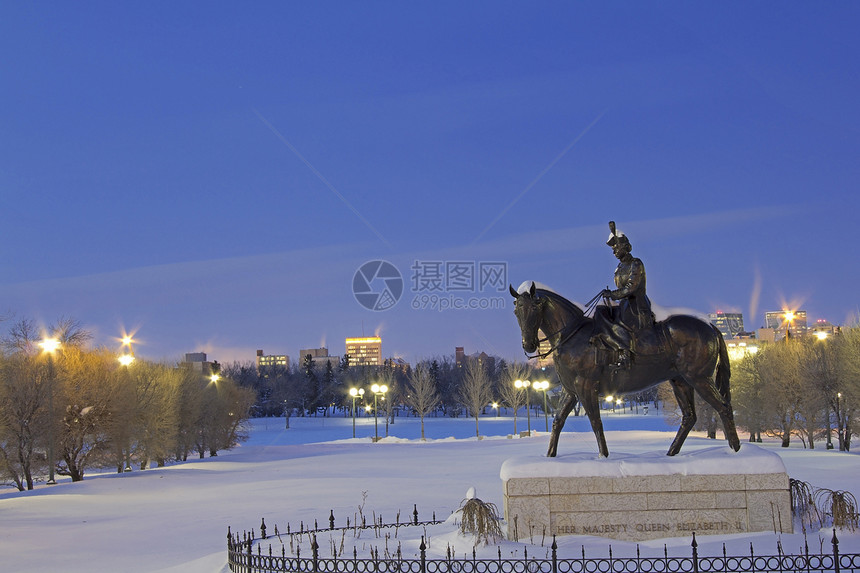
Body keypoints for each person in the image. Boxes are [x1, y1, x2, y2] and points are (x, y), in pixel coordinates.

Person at [591, 221, 654, 367]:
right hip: (624, 303)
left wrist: (612, 294)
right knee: (602, 313)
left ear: (624, 247)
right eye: (612, 249)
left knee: (621, 322)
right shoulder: (619, 267)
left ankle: (625, 354)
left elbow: (631, 287)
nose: (614, 252)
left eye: (616, 247)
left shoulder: (636, 263)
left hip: (636, 305)